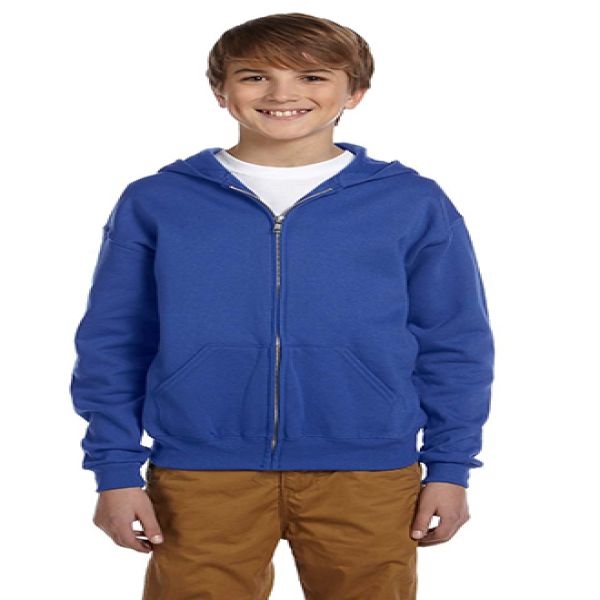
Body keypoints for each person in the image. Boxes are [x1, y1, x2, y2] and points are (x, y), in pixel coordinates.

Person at [70, 12, 495, 600]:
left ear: (355, 91)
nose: (282, 94)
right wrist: (114, 470)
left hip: (367, 470)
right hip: (201, 470)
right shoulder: (158, 201)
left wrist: (450, 466)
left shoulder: (410, 201)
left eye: (312, 77)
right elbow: (114, 342)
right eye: (255, 76)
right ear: (221, 90)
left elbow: (455, 341)